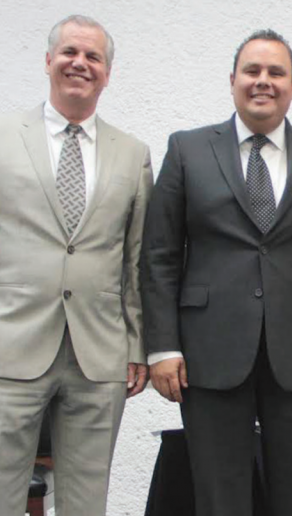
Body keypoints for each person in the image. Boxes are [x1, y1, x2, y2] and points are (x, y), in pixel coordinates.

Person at [140, 29, 292, 516]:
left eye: (276, 72)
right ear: (232, 81)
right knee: (219, 499)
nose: (263, 81)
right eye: (253, 71)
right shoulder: (187, 150)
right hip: (208, 350)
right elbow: (159, 255)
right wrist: (162, 346)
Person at [0, 15, 153, 516]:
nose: (80, 63)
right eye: (69, 52)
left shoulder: (133, 154)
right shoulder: (4, 137)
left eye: (93, 57)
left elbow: (135, 260)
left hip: (99, 352)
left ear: (107, 73)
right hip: (10, 345)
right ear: (48, 61)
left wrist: (136, 343)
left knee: (87, 504)